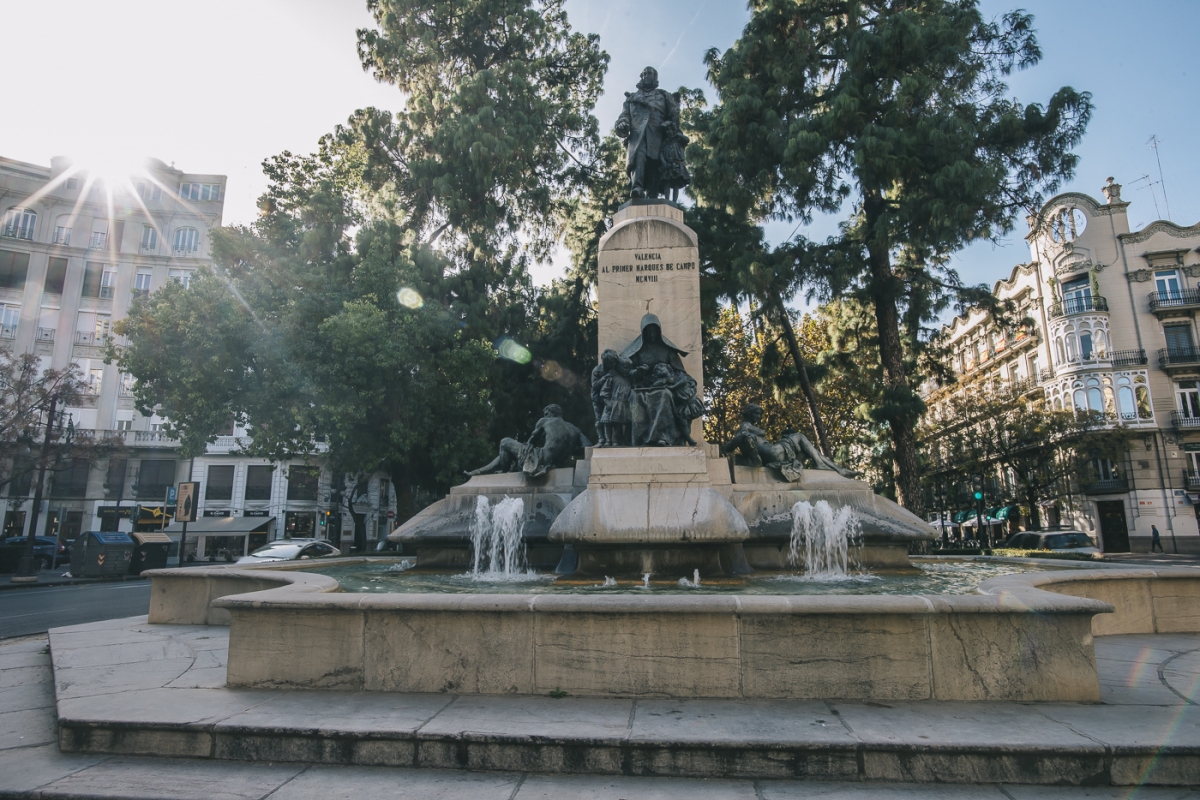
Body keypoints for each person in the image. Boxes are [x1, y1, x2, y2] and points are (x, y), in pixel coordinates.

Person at [622, 314, 702, 446]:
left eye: (654, 331)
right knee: (635, 397)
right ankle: (640, 438)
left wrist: (670, 380)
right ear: (643, 332)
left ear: (659, 331)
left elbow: (680, 372)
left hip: (665, 387)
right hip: (644, 387)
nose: (652, 334)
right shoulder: (637, 351)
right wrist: (639, 372)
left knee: (664, 395)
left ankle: (663, 437)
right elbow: (629, 373)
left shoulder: (668, 351)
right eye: (649, 332)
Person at [465, 405, 591, 479]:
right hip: (555, 464)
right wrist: (569, 449)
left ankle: (503, 474)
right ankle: (477, 472)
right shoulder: (575, 430)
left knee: (505, 442)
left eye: (546, 413)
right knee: (512, 452)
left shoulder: (545, 421)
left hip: (540, 459)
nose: (545, 415)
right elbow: (588, 447)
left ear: (552, 413)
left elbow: (531, 441)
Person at [614, 66, 683, 199]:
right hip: (637, 135)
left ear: (655, 77)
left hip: (658, 135)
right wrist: (623, 124)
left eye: (649, 73)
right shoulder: (632, 99)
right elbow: (624, 116)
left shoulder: (664, 95)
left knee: (654, 165)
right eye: (644, 74)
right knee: (638, 159)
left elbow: (674, 116)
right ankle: (637, 188)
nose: (646, 76)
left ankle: (652, 195)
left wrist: (670, 125)